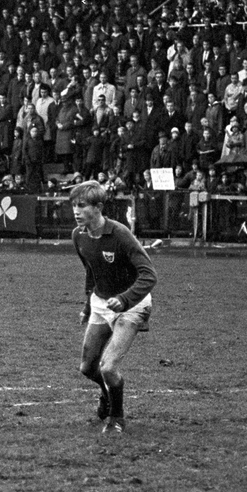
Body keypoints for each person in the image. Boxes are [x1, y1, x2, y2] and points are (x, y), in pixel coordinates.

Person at [69, 181, 158, 434]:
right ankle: (106, 394)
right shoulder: (79, 235)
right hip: (100, 303)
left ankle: (116, 418)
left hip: (132, 306)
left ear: (98, 207)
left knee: (108, 367)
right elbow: (91, 272)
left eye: (82, 206)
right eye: (74, 206)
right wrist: (88, 306)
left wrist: (125, 299)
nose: (76, 211)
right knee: (87, 368)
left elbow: (149, 275)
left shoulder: (120, 234)